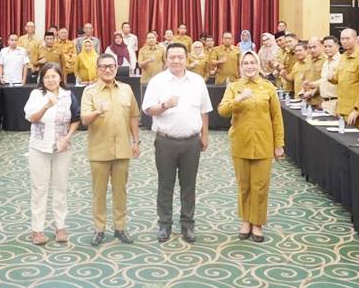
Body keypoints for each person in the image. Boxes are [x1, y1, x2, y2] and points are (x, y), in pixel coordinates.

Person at [142, 43, 212, 243]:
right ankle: (164, 225)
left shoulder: (197, 81)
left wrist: (204, 135)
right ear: (166, 59)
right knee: (165, 185)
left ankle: (188, 225)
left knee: (189, 186)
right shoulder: (157, 81)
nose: (176, 60)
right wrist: (164, 105)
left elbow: (204, 110)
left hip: (191, 142)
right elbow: (148, 110)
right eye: (172, 57)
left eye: (180, 57)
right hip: (165, 142)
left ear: (186, 58)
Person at [217, 51, 284, 243]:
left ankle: (257, 223)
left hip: (264, 143)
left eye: (252, 62)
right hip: (241, 142)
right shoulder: (234, 87)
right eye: (245, 63)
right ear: (241, 66)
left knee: (260, 186)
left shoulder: (268, 87)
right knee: (244, 185)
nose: (249, 66)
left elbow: (276, 118)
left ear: (258, 64)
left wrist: (279, 144)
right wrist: (238, 99)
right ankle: (246, 220)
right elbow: (222, 111)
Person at [81, 53, 141, 246]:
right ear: (98, 69)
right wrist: (97, 112)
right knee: (99, 193)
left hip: (123, 149)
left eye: (111, 66)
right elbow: (84, 119)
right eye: (103, 66)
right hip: (99, 150)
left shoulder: (126, 89)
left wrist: (136, 142)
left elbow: (134, 116)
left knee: (120, 191)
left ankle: (120, 227)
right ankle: (99, 229)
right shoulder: (90, 91)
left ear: (116, 68)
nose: (107, 69)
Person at [24, 63, 80, 245]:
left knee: (60, 187)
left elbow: (75, 119)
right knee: (39, 189)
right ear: (42, 79)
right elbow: (32, 118)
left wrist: (67, 138)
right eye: (46, 77)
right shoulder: (36, 95)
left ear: (60, 78)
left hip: (62, 149)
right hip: (39, 148)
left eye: (54, 76)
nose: (50, 80)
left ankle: (60, 226)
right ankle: (37, 229)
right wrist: (46, 106)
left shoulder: (68, 94)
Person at [332, 28, 359, 119]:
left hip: (354, 112)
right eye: (342, 39)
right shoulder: (343, 57)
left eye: (347, 38)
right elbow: (339, 80)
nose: (344, 41)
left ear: (356, 39)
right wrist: (331, 77)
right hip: (341, 109)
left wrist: (356, 109)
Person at [309, 36, 342, 115]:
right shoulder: (326, 62)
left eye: (330, 46)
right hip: (325, 102)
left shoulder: (340, 61)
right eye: (325, 46)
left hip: (335, 102)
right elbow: (324, 80)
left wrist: (314, 84)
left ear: (337, 46)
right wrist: (312, 85)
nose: (327, 49)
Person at [302, 37, 326, 108]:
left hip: (320, 102)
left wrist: (312, 92)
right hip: (308, 101)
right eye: (310, 48)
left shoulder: (326, 60)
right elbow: (304, 78)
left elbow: (326, 82)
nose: (312, 50)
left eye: (314, 47)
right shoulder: (307, 60)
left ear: (321, 47)